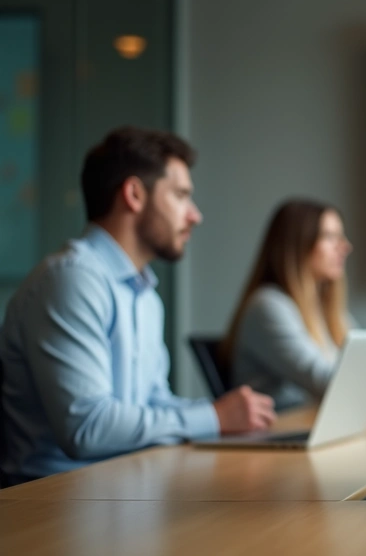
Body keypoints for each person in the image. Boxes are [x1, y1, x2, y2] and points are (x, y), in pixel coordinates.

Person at [0, 127, 276, 486]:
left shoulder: (144, 293)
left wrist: (225, 414)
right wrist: (212, 417)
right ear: (134, 194)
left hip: (118, 485)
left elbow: (152, 402)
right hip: (47, 499)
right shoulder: (72, 279)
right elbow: (86, 428)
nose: (194, 215)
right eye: (180, 196)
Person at [223, 199, 366, 411]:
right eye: (330, 236)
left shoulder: (325, 310)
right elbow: (333, 385)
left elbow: (364, 373)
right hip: (279, 433)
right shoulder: (268, 306)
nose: (345, 247)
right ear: (297, 245)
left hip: (312, 429)